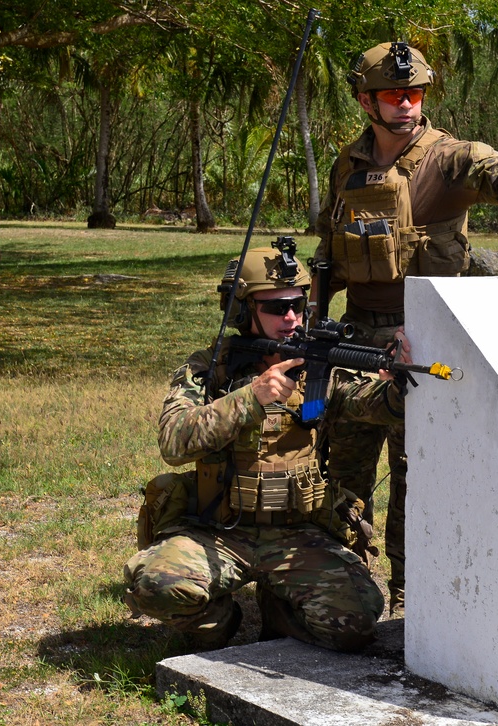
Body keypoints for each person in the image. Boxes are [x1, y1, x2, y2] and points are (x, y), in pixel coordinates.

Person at [312, 40, 498, 616]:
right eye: (394, 94)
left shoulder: (450, 157)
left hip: (421, 340)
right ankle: (339, 576)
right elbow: (330, 247)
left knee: (413, 469)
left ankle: (412, 591)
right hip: (352, 336)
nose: (406, 104)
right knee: (341, 458)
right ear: (366, 101)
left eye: (415, 93)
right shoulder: (348, 163)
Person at [123, 244, 406, 652]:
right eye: (276, 308)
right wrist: (250, 399)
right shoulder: (210, 369)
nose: (291, 318)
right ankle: (219, 626)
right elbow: (174, 441)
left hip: (298, 531)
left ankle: (279, 610)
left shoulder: (318, 369)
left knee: (356, 618)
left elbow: (374, 403)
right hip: (218, 530)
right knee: (156, 585)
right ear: (242, 312)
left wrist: (397, 384)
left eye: (297, 305)